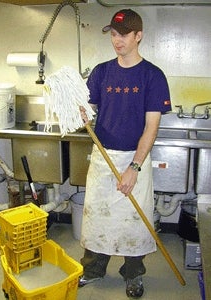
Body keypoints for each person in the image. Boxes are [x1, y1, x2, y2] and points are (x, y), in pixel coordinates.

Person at [79, 8, 171, 298]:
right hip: (103, 157)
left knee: (135, 220)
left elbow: (151, 127)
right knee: (97, 218)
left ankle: (133, 275)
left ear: (138, 36)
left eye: (124, 34)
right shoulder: (102, 72)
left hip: (134, 157)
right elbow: (89, 109)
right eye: (114, 34)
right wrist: (80, 110)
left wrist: (135, 166)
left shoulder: (152, 76)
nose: (117, 40)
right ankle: (93, 269)